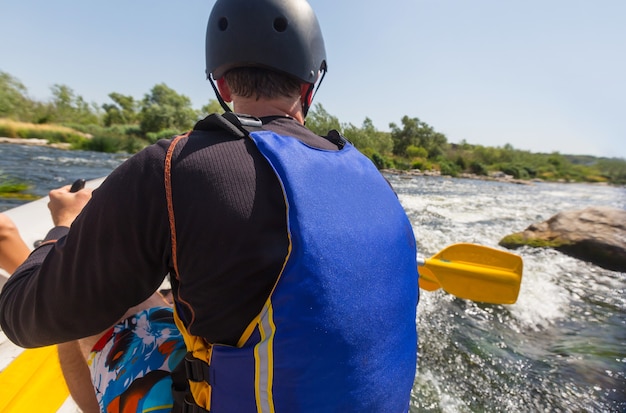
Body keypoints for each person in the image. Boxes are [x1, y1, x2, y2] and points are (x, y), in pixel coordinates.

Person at [1, 0, 419, 411]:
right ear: (310, 86)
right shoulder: (375, 179)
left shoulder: (171, 168)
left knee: (86, 309)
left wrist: (64, 228)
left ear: (221, 84)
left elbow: (23, 317)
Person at [0, 210, 184, 413]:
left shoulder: (164, 179)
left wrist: (66, 224)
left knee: (92, 281)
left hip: (201, 395)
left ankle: (45, 275)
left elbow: (18, 323)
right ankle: (46, 276)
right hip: (219, 385)